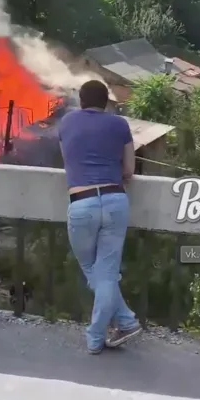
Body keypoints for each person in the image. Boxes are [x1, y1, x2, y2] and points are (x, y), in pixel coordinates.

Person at [58, 80, 141, 354]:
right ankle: (126, 321)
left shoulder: (67, 123)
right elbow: (129, 169)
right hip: (116, 200)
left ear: (80, 101)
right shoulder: (120, 124)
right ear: (106, 102)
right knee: (105, 273)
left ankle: (96, 336)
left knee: (95, 272)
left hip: (82, 203)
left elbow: (67, 160)